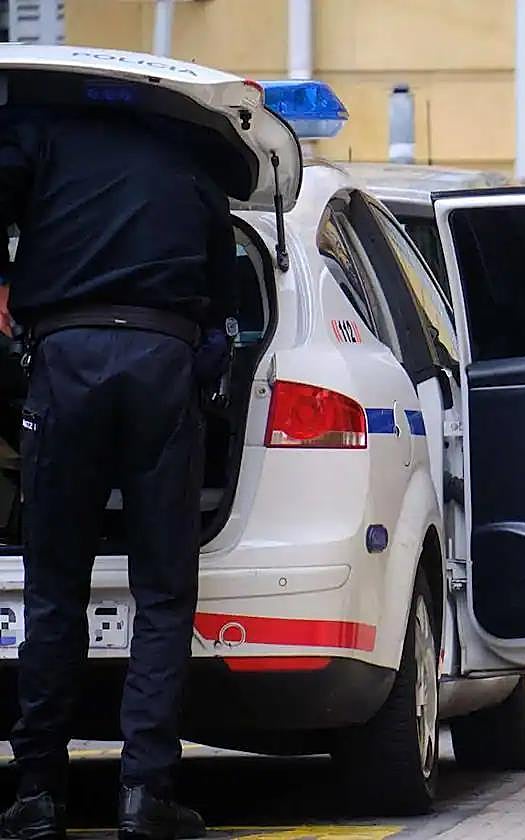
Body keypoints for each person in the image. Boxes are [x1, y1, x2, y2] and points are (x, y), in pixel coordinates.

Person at [0, 103, 236, 839]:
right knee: (163, 592)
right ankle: (145, 794)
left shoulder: (39, 131)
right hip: (161, 363)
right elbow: (225, 304)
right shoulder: (192, 153)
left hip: (64, 362)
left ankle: (37, 795)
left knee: (55, 590)